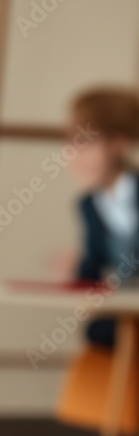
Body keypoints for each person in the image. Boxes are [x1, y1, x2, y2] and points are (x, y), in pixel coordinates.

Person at [70, 87, 139, 348]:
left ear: (119, 144)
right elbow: (92, 266)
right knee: (100, 332)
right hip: (122, 318)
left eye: (85, 142)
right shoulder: (88, 205)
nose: (74, 155)